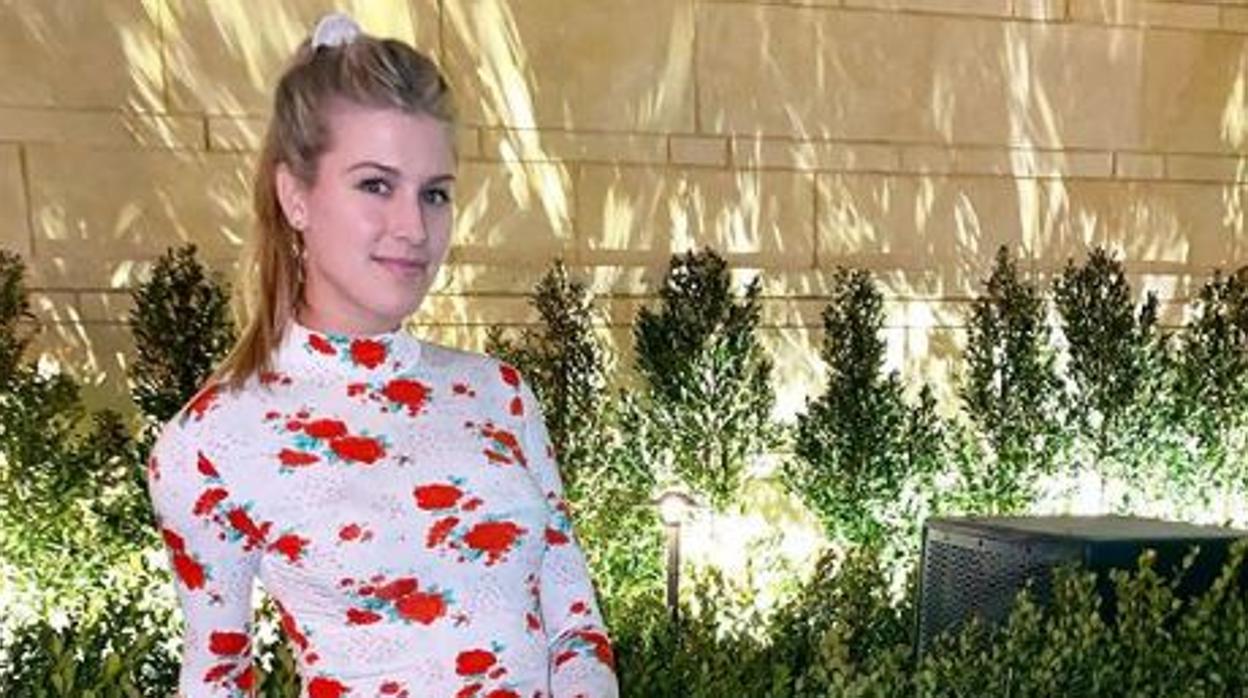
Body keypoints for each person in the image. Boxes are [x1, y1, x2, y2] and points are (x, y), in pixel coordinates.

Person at [146, 13, 618, 698]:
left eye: (434, 194)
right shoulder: (210, 442)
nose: (413, 227)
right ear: (295, 196)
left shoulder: (499, 394)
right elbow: (217, 678)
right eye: (375, 185)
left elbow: (575, 631)